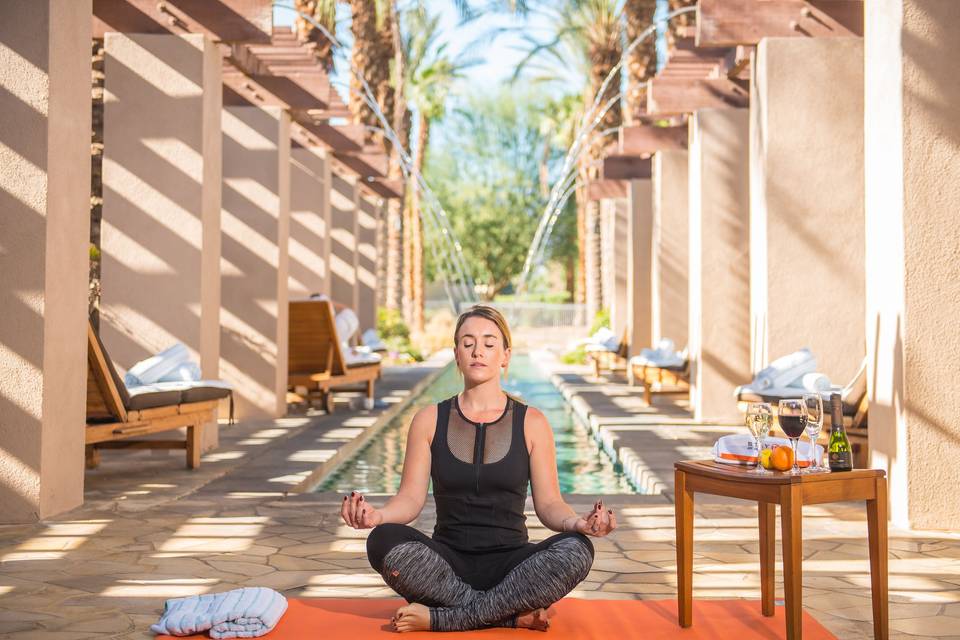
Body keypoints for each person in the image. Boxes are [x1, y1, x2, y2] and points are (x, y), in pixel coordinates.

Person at [341, 305, 617, 633]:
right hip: (446, 563)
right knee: (382, 540)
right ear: (456, 354)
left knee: (576, 549)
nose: (478, 351)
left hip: (513, 565)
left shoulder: (532, 423)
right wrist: (378, 517)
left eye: (489, 343)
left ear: (505, 355)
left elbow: (548, 505)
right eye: (468, 342)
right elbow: (411, 500)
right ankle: (509, 614)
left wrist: (577, 523)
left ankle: (447, 617)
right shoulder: (428, 420)